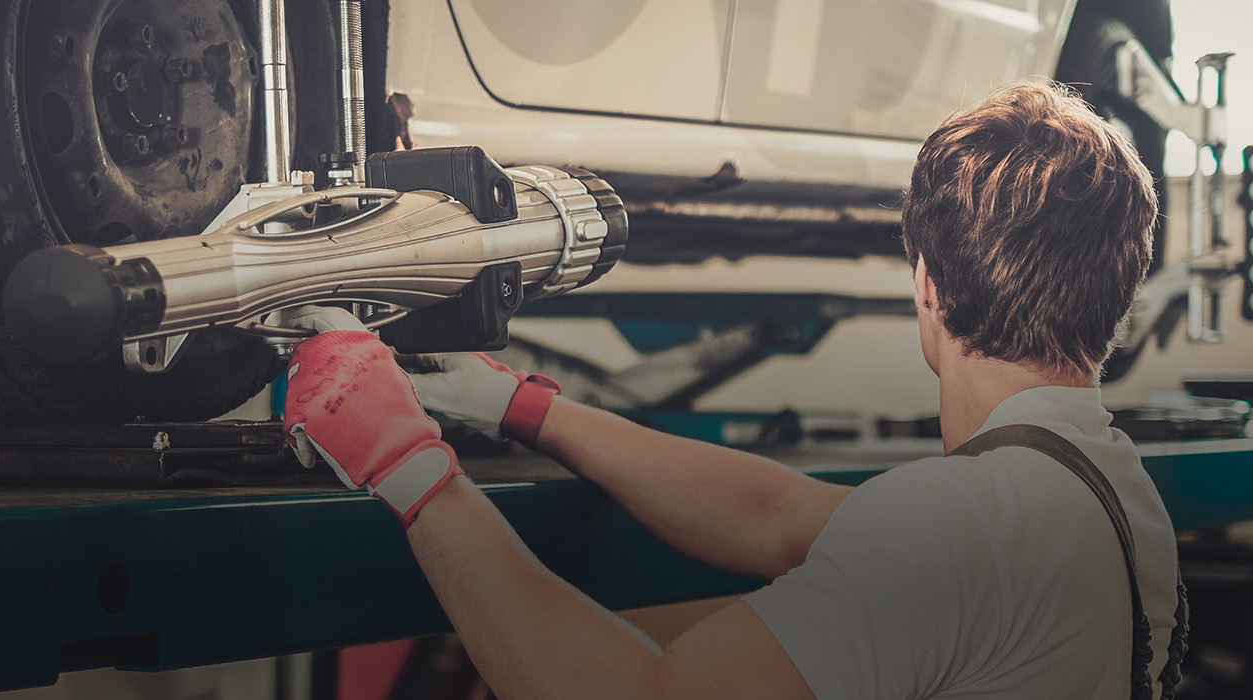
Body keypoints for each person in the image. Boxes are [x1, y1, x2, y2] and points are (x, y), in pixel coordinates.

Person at [280, 80, 1183, 700]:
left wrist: (408, 465)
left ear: (928, 285)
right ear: (1115, 295)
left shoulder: (966, 523)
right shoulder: (1094, 485)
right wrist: (523, 407)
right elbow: (782, 518)